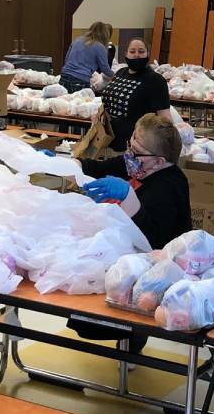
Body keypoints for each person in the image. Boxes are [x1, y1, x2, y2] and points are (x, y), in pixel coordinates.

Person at [68, 113, 192, 358]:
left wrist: (128, 198)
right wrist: (66, 165)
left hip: (158, 273)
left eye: (136, 152)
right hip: (128, 255)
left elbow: (151, 239)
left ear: (158, 161)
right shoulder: (138, 165)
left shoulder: (169, 186)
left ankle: (133, 337)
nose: (128, 156)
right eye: (129, 146)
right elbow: (98, 167)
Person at [100, 37, 173, 151]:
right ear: (126, 54)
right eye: (132, 51)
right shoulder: (120, 73)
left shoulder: (155, 80)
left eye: (141, 51)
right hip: (107, 138)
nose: (136, 55)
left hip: (134, 144)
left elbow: (165, 118)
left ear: (148, 54)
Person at [60, 21, 113, 93]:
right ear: (105, 35)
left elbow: (67, 60)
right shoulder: (100, 47)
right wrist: (116, 76)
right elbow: (105, 69)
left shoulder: (77, 40)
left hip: (64, 76)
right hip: (80, 80)